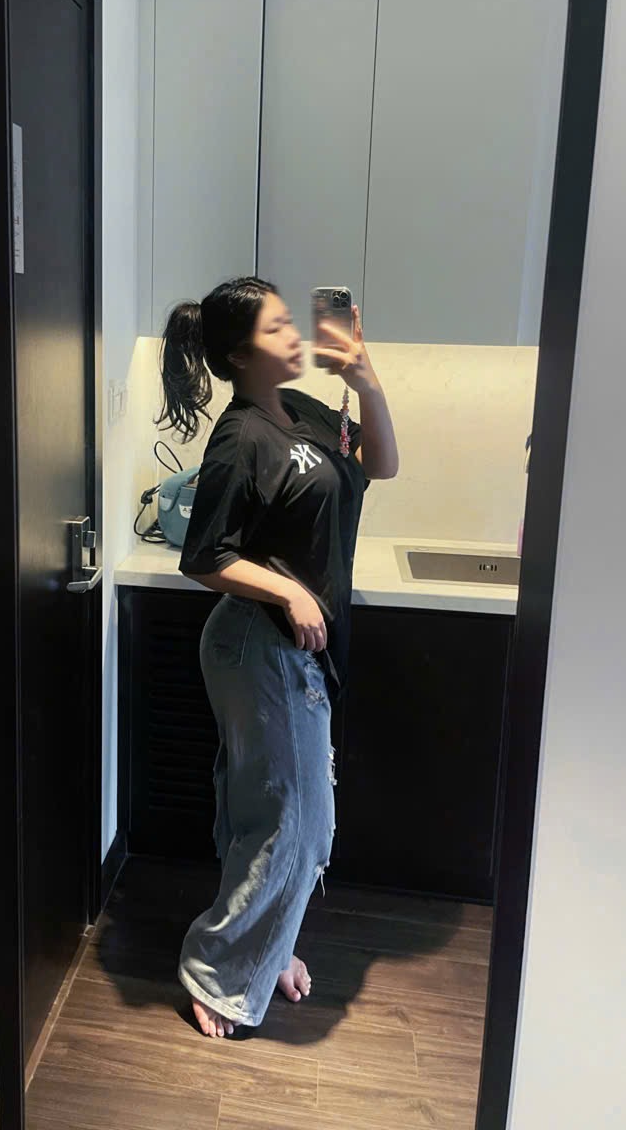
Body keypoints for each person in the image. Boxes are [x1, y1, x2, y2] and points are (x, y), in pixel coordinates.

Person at [156, 276, 399, 1039]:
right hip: (256, 643)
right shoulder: (240, 438)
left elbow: (381, 465)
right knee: (294, 825)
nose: (294, 335)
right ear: (238, 354)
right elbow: (203, 556)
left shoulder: (302, 410)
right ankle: (216, 972)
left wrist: (364, 376)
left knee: (272, 817)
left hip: (286, 651)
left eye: (292, 322)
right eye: (276, 329)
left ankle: (265, 948)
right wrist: (288, 592)